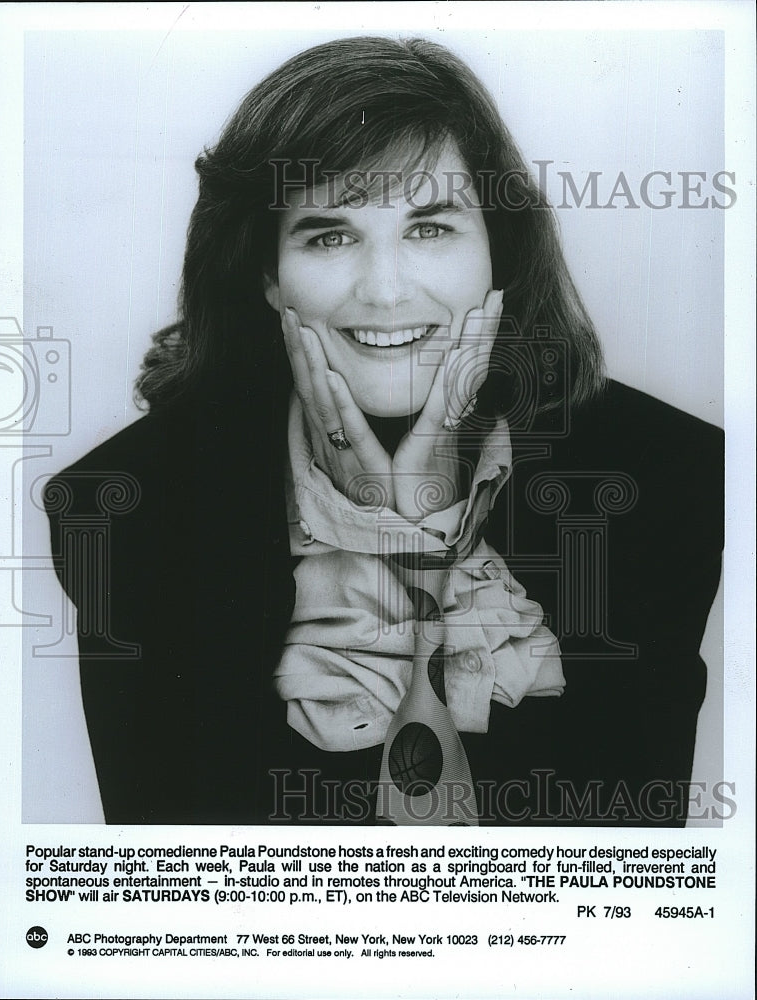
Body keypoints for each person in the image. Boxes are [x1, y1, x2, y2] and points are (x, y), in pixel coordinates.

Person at [45, 36, 723, 826]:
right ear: (266, 274)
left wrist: (418, 520)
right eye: (329, 234)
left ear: (498, 253)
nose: (386, 290)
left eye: (430, 228)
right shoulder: (128, 505)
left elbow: (619, 864)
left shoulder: (673, 473)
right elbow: (188, 888)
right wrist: (379, 537)